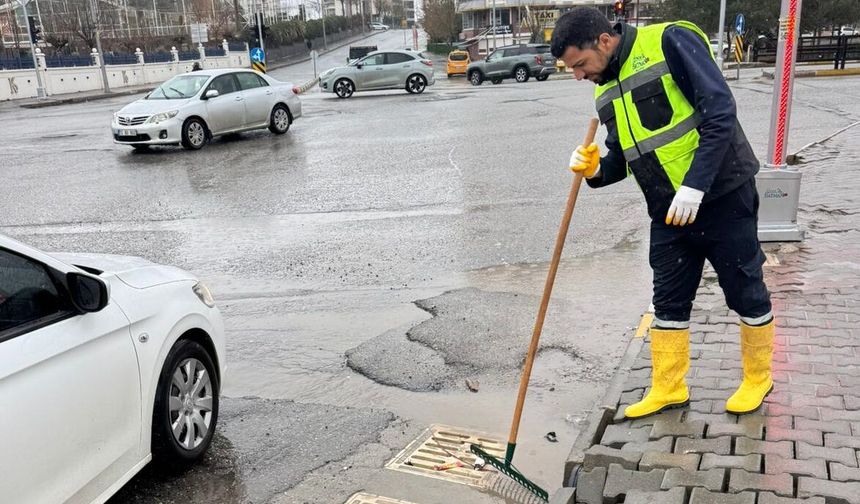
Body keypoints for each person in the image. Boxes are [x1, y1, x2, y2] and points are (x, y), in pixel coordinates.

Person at [551, 8, 774, 418]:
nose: (578, 76)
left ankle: (758, 378)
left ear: (604, 40)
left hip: (723, 195)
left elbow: (720, 113)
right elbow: (624, 157)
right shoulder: (604, 91)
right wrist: (595, 169)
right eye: (571, 69)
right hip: (668, 211)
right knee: (668, 300)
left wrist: (696, 186)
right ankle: (668, 387)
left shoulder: (669, 41)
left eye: (580, 65)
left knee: (744, 287)